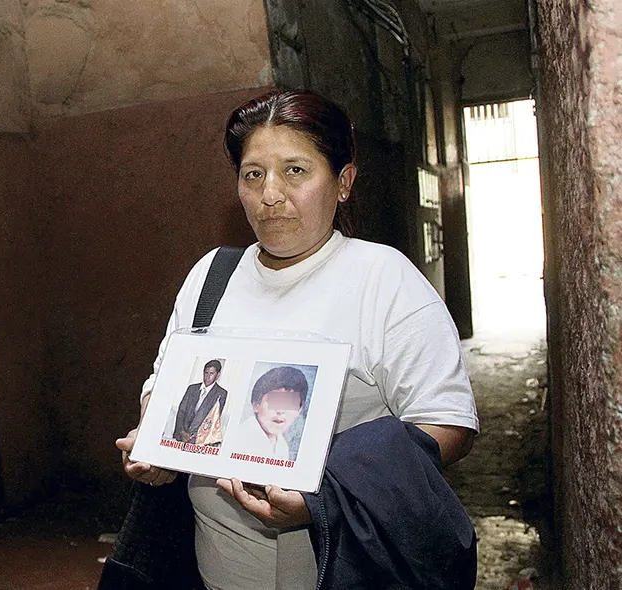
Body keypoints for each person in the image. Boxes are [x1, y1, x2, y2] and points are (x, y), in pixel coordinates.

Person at [114, 89, 479, 589]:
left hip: (339, 564)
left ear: (343, 182)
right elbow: (167, 381)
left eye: (295, 171)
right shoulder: (211, 275)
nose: (270, 195)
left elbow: (448, 423)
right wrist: (155, 446)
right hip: (216, 566)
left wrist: (326, 496)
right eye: (253, 174)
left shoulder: (383, 279)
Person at [224, 366, 307, 461]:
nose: (281, 410)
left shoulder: (282, 445)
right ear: (256, 404)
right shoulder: (239, 438)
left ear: (299, 410)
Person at [173, 359, 229, 443]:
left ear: (218, 375)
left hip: (199, 440)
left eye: (211, 373)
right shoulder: (192, 388)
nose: (208, 376)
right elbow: (181, 411)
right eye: (206, 373)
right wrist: (181, 432)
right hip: (181, 436)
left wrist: (195, 437)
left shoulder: (221, 393)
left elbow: (212, 419)